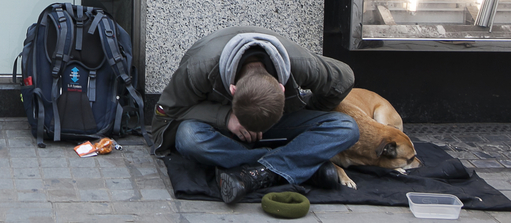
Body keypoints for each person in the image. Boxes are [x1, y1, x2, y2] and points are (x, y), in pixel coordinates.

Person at [151, 26, 359, 205]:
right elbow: (165, 117)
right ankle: (298, 163)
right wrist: (225, 117)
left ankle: (257, 169)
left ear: (281, 88)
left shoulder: (301, 63)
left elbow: (345, 78)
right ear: (232, 91)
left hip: (282, 121)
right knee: (188, 137)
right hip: (223, 129)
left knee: (347, 127)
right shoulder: (198, 68)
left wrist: (314, 109)